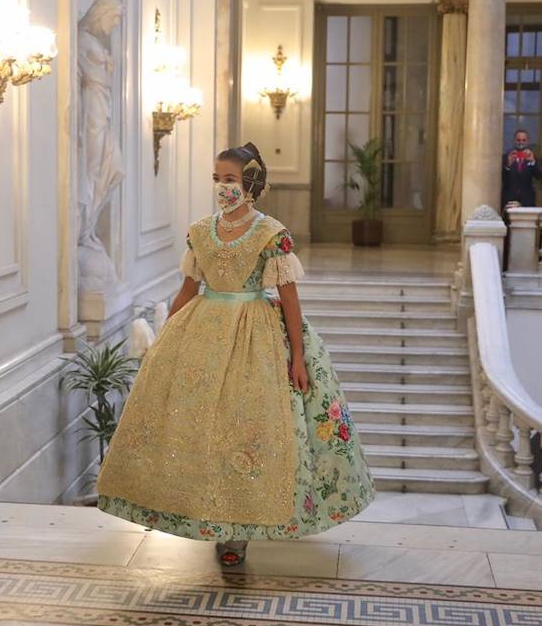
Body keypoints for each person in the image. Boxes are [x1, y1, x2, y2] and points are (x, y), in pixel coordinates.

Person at [96, 143, 375, 566]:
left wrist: (297, 357)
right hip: (202, 334)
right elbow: (189, 290)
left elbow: (290, 298)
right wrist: (166, 338)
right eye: (217, 179)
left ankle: (237, 533)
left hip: (255, 339)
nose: (221, 187)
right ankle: (210, 517)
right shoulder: (200, 231)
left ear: (251, 184)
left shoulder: (271, 234)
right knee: (205, 431)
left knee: (245, 432)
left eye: (229, 179)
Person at [501, 129, 542, 208]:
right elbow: (502, 179)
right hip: (510, 200)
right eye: (518, 140)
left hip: (527, 201)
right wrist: (508, 165)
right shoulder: (506, 157)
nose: (521, 142)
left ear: (527, 141)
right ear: (514, 141)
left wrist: (532, 162)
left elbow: (540, 176)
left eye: (524, 140)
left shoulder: (532, 157)